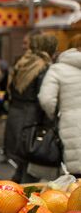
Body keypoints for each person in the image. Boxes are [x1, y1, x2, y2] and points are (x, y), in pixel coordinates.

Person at [4, 34, 58, 183]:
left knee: (23, 163)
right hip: (32, 120)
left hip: (16, 115)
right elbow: (43, 96)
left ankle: (10, 192)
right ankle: (20, 198)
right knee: (31, 163)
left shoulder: (22, 62)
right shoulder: (44, 66)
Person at [38, 34, 81, 178]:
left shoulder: (58, 69)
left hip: (71, 124)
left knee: (76, 179)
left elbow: (46, 99)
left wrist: (55, 116)